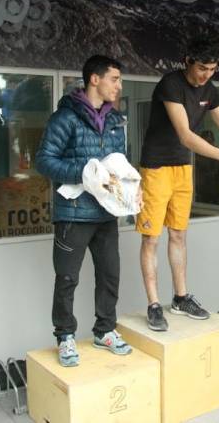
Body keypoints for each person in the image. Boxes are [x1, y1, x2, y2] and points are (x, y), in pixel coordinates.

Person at [137, 37, 219, 331]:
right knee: (151, 238)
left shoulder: (209, 89)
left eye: (212, 69)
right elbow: (185, 135)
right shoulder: (170, 85)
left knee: (179, 235)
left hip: (183, 167)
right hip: (156, 167)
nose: (207, 74)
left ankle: (181, 298)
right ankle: (154, 304)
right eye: (202, 68)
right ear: (188, 62)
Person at [36, 55, 133, 367]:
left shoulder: (116, 121)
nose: (119, 86)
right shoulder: (65, 118)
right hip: (73, 214)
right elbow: (44, 161)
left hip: (106, 214)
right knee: (67, 278)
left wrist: (131, 190)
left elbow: (120, 165)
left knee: (110, 275)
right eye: (114, 79)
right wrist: (84, 172)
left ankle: (105, 330)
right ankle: (65, 336)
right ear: (95, 79)